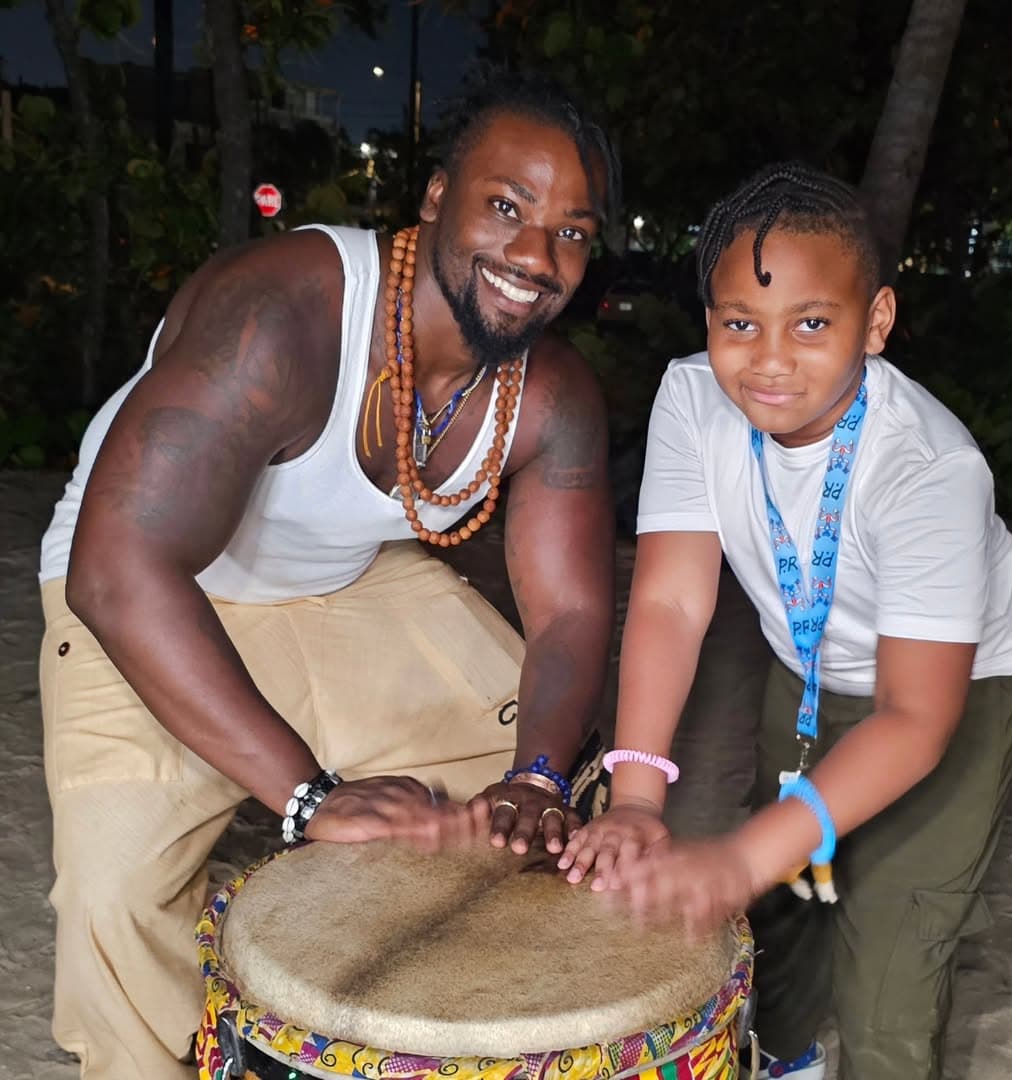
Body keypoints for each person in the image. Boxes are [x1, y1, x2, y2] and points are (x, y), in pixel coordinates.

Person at [38, 68, 620, 1080]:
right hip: (143, 590)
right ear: (435, 199)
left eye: (571, 229)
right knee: (116, 899)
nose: (536, 254)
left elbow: (569, 611)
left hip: (339, 583)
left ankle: (453, 1043)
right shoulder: (283, 313)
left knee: (559, 804)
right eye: (506, 207)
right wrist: (307, 800)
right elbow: (120, 569)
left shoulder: (552, 392)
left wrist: (534, 774)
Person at [558, 163, 1012, 1080]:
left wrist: (738, 857)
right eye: (739, 321)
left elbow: (914, 721)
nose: (769, 358)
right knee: (784, 917)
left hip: (958, 687)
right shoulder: (692, 397)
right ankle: (779, 1063)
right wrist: (633, 798)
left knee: (891, 947)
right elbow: (669, 600)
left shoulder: (931, 470)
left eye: (811, 323)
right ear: (708, 319)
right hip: (811, 662)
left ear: (878, 322)